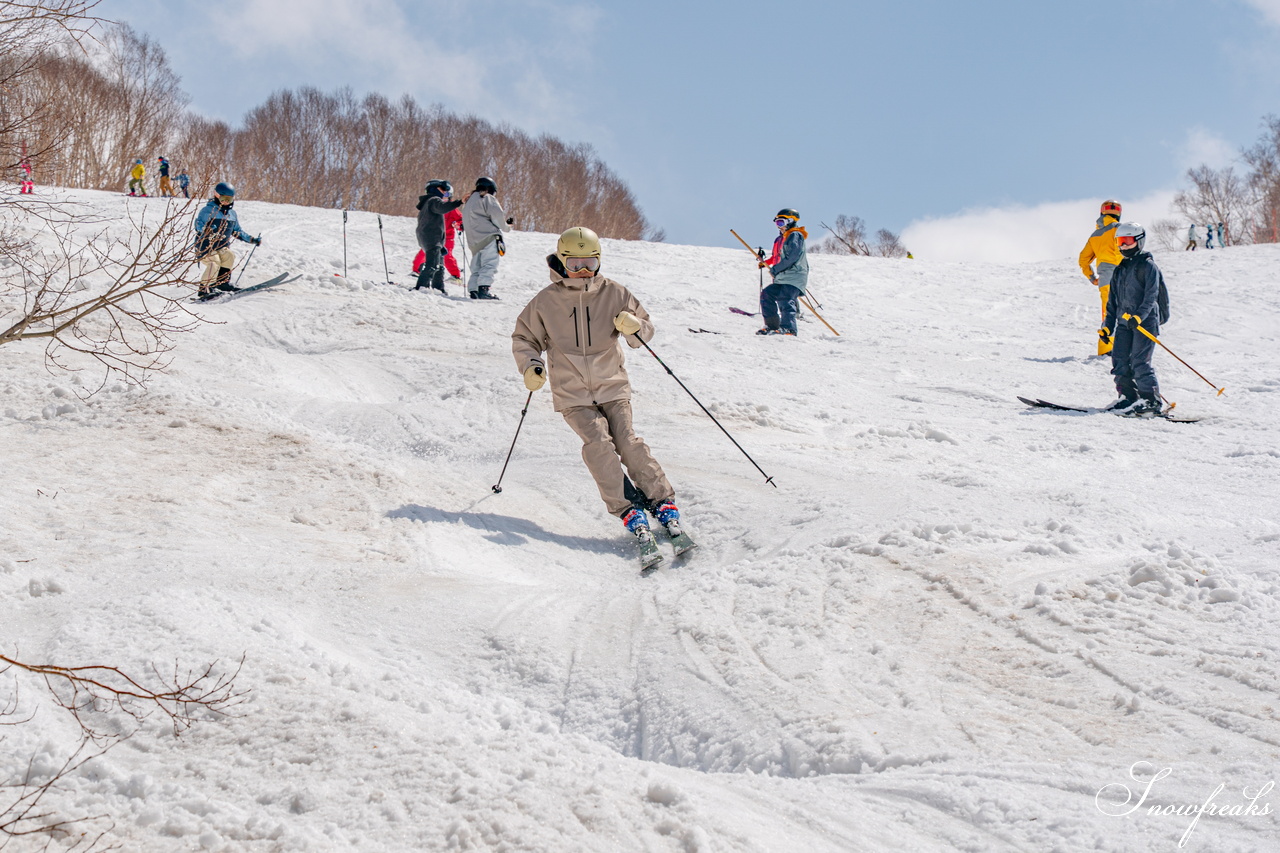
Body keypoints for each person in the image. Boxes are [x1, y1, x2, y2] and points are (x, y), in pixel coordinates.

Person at [512, 226, 683, 549]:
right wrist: (531, 365)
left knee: (627, 442)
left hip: (612, 385)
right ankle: (628, 507)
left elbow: (642, 334)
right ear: (562, 263)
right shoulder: (545, 302)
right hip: (572, 393)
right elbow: (524, 338)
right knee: (598, 445)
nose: (583, 272)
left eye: (590, 263)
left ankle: (661, 499)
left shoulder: (616, 293)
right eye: (575, 265)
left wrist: (635, 327)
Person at [1099, 222, 1170, 416]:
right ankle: (1128, 397)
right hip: (1124, 324)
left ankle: (1150, 401)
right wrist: (1107, 327)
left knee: (1140, 362)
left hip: (1145, 323)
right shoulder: (1119, 270)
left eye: (1127, 241)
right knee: (1119, 361)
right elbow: (1112, 303)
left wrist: (1139, 317)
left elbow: (1151, 296)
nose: (1123, 246)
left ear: (1139, 241)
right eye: (1120, 242)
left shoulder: (1148, 266)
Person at [193, 181, 260, 299]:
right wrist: (206, 229)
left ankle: (222, 284)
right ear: (216, 196)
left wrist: (251, 239)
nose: (226, 202)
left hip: (221, 246)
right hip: (205, 247)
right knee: (214, 262)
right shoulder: (208, 210)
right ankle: (205, 289)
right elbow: (198, 224)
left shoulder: (232, 214)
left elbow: (237, 231)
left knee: (229, 255)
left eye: (229, 199)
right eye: (223, 198)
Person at [1077, 199, 1123, 356]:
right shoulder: (1120, 229)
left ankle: (1106, 350)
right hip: (1124, 279)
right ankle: (1125, 350)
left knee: (1108, 315)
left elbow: (1083, 259)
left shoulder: (1094, 236)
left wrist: (1092, 277)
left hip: (1105, 281)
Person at [756, 208, 809, 336]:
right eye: (777, 223)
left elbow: (792, 257)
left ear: (790, 221)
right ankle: (772, 326)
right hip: (783, 277)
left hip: (794, 276)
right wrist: (767, 263)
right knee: (767, 294)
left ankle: (789, 329)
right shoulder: (784, 237)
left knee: (786, 299)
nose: (779, 227)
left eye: (781, 223)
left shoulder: (795, 235)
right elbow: (778, 256)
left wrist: (776, 269)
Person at [461, 176, 512, 300]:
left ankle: (474, 290)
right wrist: (507, 227)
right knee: (489, 264)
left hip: (474, 241)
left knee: (476, 266)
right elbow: (497, 216)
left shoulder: (469, 202)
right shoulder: (487, 198)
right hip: (488, 236)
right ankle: (484, 290)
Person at [413, 179, 463, 293]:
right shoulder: (433, 200)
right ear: (433, 189)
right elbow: (442, 207)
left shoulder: (427, 202)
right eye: (442, 190)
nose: (444, 193)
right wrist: (459, 202)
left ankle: (438, 288)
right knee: (432, 265)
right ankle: (421, 288)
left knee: (439, 266)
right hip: (432, 239)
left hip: (433, 239)